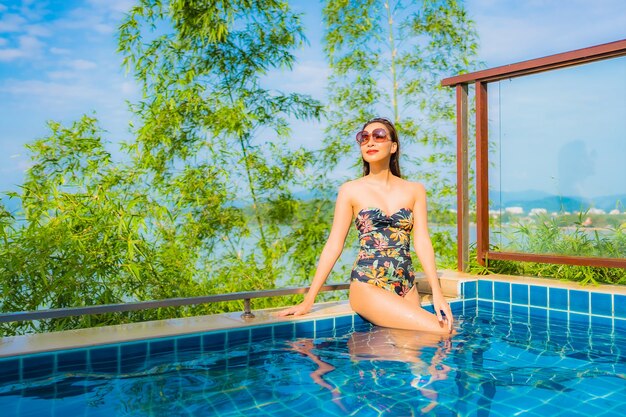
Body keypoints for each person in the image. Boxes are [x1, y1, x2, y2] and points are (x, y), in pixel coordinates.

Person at [278, 117, 453, 333]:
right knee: (443, 330)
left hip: (406, 285)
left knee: (411, 357)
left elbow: (422, 241)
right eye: (364, 137)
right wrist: (308, 300)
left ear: (393, 146)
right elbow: (334, 244)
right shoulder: (351, 190)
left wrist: (437, 291)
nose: (370, 142)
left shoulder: (414, 190)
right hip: (368, 283)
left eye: (379, 136)